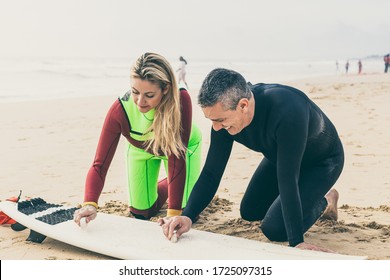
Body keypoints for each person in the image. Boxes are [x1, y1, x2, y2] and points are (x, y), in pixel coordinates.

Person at [159, 68, 344, 253]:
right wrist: (188, 216)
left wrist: (296, 242)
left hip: (322, 163)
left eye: (219, 120)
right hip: (281, 157)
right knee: (250, 211)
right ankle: (308, 200)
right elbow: (211, 173)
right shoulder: (223, 121)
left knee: (275, 229)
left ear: (243, 105)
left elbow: (288, 179)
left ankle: (325, 200)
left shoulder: (287, 109)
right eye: (211, 120)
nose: (216, 127)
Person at [74, 53, 202, 225]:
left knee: (187, 211)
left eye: (149, 95)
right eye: (135, 92)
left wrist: (173, 213)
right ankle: (165, 187)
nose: (140, 102)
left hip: (181, 149)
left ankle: (191, 183)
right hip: (141, 150)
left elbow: (176, 159)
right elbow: (100, 164)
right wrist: (90, 203)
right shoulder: (120, 109)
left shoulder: (180, 99)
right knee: (141, 213)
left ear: (165, 89)